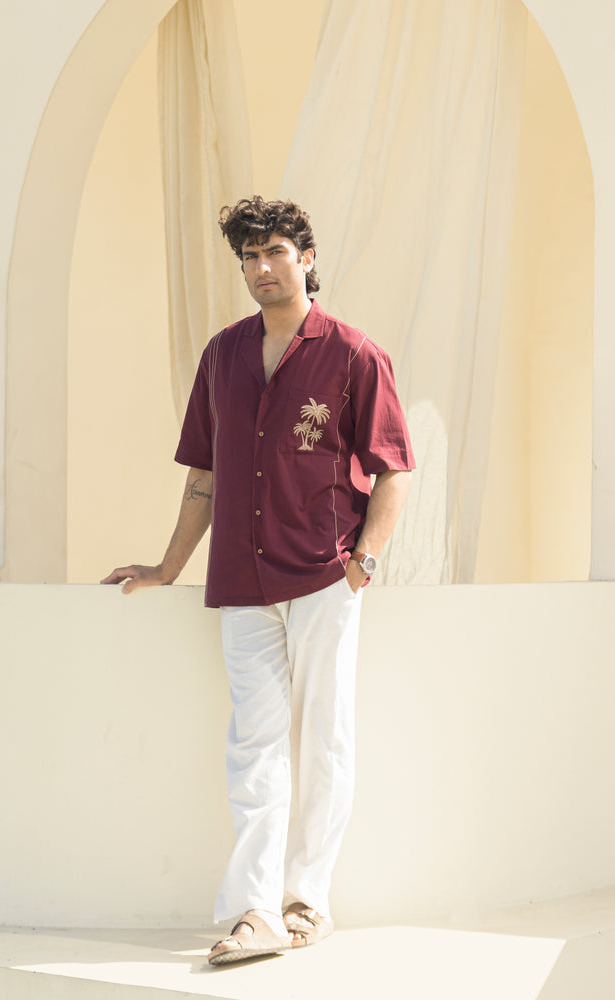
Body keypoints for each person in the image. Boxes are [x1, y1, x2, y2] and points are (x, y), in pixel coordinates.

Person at [102, 196, 414, 966]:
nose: (261, 268)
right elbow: (204, 476)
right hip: (240, 579)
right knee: (255, 746)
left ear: (306, 257)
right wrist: (168, 565)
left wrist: (363, 561)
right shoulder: (223, 355)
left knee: (326, 739)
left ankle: (308, 900)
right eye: (249, 257)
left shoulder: (353, 354)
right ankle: (255, 911)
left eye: (275, 251)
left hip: (321, 576)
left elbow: (393, 471)